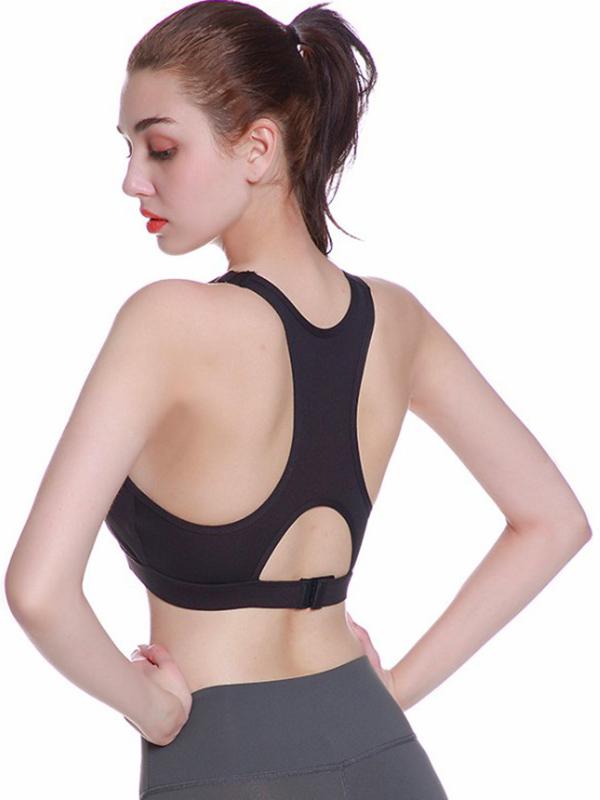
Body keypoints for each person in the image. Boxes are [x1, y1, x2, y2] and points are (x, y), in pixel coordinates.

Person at [5, 2, 592, 798]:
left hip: (225, 758)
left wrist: (153, 709)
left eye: (161, 147)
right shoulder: (397, 321)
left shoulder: (165, 322)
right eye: (129, 150)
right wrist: (395, 691)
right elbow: (554, 521)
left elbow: (37, 590)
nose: (133, 179)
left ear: (258, 147)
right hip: (386, 754)